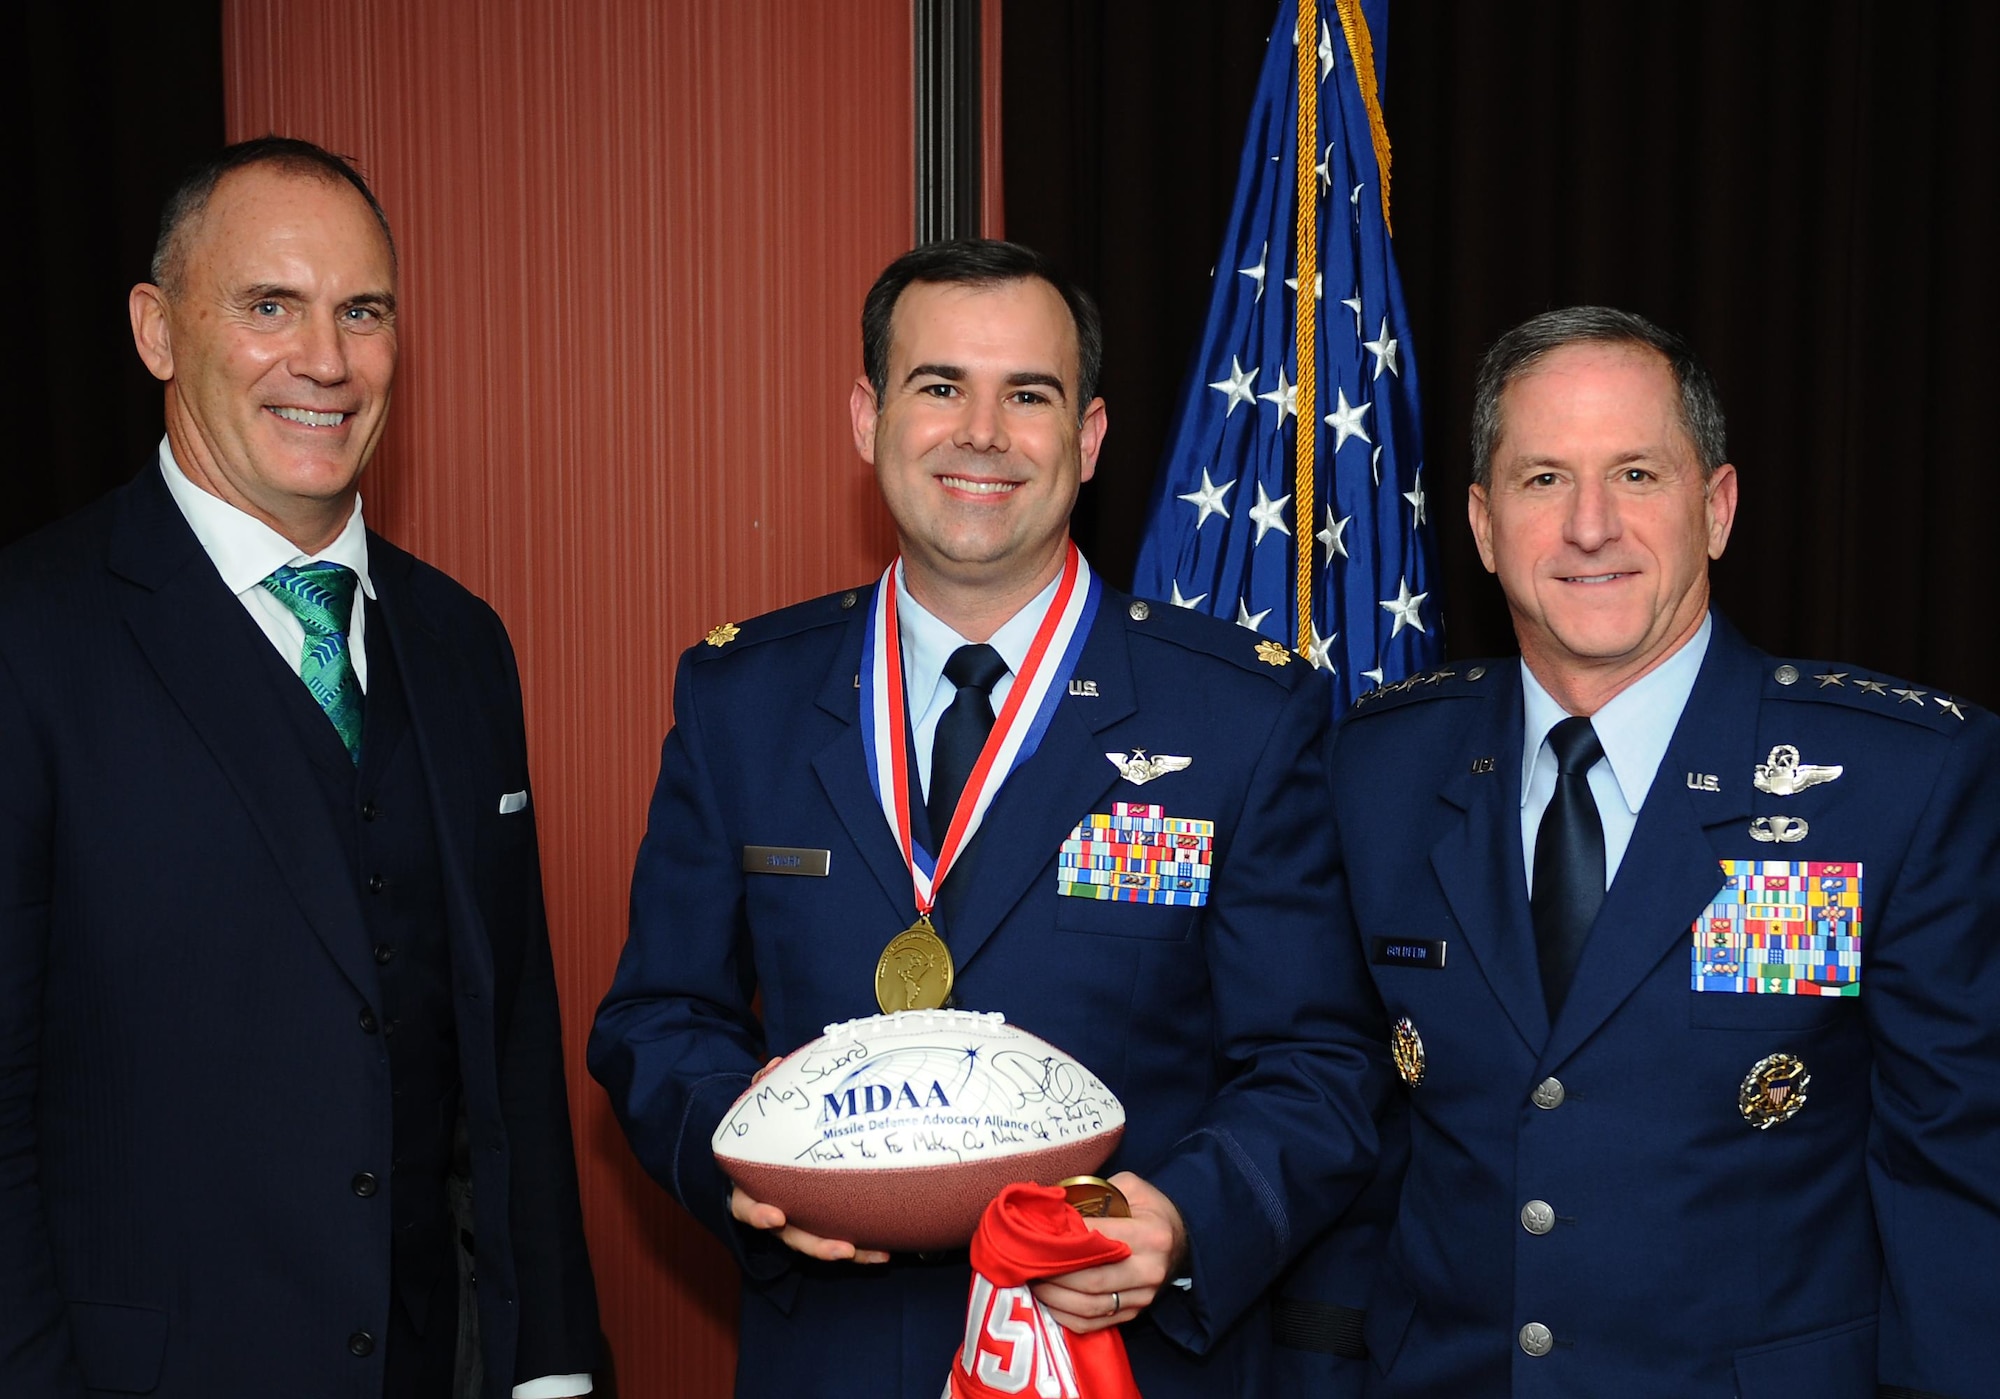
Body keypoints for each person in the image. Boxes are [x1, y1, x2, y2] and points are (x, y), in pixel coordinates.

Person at [588, 239, 1385, 1398]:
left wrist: (1179, 1218)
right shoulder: (740, 699)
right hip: (833, 1353)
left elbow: (1316, 1059)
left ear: (1088, 437)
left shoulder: (1241, 715)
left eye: (1028, 394)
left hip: (1119, 1354)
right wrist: (751, 1171)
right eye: (938, 387)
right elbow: (657, 1016)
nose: (980, 432)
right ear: (866, 418)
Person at [0, 137, 600, 1398]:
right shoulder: (31, 634)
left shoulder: (462, 643)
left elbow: (511, 1042)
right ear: (157, 331)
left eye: (362, 312)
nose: (325, 360)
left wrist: (550, 1359)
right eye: (269, 306)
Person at [1311, 306, 2000, 1396]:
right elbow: (1352, 1146)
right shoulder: (1378, 769)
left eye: (1635, 474)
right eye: (1542, 480)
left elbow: (1960, 1183)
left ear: (1714, 509)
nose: (1590, 526)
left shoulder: (1898, 782)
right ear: (1483, 528)